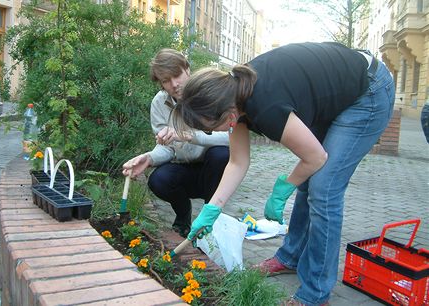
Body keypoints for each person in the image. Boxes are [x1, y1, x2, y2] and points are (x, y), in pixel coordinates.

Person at [172, 42, 395, 306]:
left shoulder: (265, 105)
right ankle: (290, 257)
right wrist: (212, 209)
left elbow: (315, 158)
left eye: (211, 127)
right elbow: (237, 163)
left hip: (368, 92)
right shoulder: (233, 95)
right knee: (309, 179)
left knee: (323, 188)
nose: (213, 133)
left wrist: (282, 189)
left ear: (228, 115)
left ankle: (315, 294)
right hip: (339, 92)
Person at [122, 49, 229, 238]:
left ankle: (211, 221)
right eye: (165, 80)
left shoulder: (209, 93)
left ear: (187, 69)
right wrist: (149, 158)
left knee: (221, 154)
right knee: (158, 180)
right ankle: (183, 216)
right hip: (184, 168)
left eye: (177, 75)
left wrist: (189, 136)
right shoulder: (159, 103)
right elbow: (167, 148)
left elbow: (231, 138)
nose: (174, 85)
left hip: (213, 169)